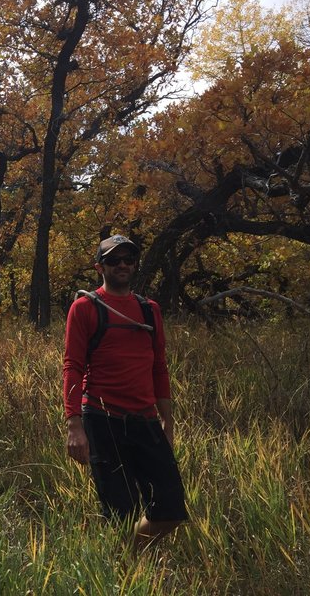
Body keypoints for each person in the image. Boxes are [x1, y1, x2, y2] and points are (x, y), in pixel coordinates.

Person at [63, 235, 187, 551]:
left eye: (128, 259)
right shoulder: (84, 308)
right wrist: (74, 425)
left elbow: (159, 366)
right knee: (121, 510)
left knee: (170, 508)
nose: (122, 265)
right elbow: (73, 367)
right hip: (103, 419)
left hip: (145, 419)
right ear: (99, 266)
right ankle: (125, 574)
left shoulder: (150, 311)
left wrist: (167, 420)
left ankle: (129, 555)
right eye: (114, 260)